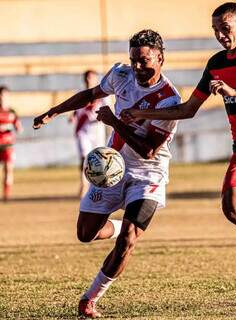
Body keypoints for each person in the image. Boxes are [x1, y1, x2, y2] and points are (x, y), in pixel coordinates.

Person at [121, 2, 236, 281]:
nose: (220, 35)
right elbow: (187, 109)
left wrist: (235, 91)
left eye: (225, 28)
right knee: (234, 210)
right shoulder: (216, 64)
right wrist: (140, 113)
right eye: (216, 30)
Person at [33, 29, 181, 318]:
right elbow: (91, 94)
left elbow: (148, 150)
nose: (138, 67)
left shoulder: (168, 101)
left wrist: (114, 121)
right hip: (114, 169)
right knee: (85, 234)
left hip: (148, 174)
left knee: (128, 240)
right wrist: (53, 111)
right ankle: (119, 225)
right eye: (134, 60)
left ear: (160, 58)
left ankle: (90, 298)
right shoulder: (121, 75)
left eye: (145, 61)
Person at [69, 70, 110, 198]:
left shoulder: (103, 95)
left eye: (91, 77)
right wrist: (73, 117)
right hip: (83, 131)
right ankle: (83, 183)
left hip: (97, 131)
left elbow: (109, 110)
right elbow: (77, 110)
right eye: (87, 77)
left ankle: (97, 185)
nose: (89, 80)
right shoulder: (80, 94)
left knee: (98, 160)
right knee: (84, 157)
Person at [0, 86, 22, 201]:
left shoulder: (12, 112)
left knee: (8, 169)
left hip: (8, 145)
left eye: (5, 95)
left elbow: (18, 127)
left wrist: (16, 127)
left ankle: (6, 195)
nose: (2, 98)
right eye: (1, 95)